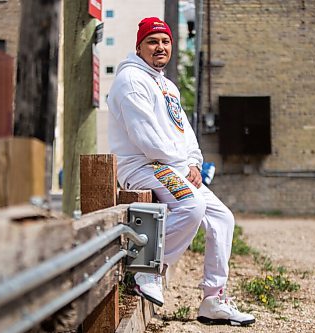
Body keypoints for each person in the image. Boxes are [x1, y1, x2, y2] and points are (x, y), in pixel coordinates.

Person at [106, 17, 255, 326]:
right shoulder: (131, 80)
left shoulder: (167, 85)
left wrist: (194, 163)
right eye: (152, 41)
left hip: (171, 166)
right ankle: (148, 272)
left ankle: (213, 299)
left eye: (165, 42)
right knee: (191, 205)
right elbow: (147, 139)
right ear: (139, 46)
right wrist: (182, 164)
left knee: (222, 218)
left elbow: (185, 133)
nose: (160, 47)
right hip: (142, 165)